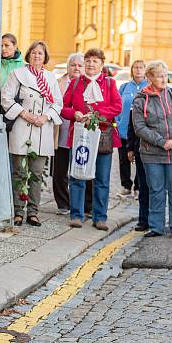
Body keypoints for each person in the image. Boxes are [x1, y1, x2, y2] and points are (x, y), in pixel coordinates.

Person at [2, 41, 62, 227]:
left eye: (41, 54)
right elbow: (6, 97)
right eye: (34, 53)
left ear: (45, 57)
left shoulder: (51, 78)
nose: (37, 56)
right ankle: (18, 210)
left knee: (37, 173)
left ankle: (33, 212)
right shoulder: (17, 74)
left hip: (42, 129)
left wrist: (46, 117)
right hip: (22, 125)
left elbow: (57, 103)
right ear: (28, 55)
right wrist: (25, 114)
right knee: (20, 172)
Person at [62, 48, 121, 230]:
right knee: (77, 176)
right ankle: (76, 215)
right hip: (80, 136)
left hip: (103, 137)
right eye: (88, 61)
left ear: (101, 65)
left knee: (102, 179)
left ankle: (100, 217)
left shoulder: (110, 83)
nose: (90, 64)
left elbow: (117, 107)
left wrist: (97, 114)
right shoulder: (75, 83)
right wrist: (76, 114)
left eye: (95, 61)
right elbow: (63, 108)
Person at [132, 60, 172, 239]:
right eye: (159, 76)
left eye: (165, 75)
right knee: (156, 190)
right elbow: (139, 127)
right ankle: (156, 227)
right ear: (149, 77)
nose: (164, 79)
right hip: (152, 153)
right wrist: (161, 142)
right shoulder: (140, 99)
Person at [52, 53, 83, 214]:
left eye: (79, 65)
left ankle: (79, 202)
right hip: (61, 131)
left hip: (80, 133)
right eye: (73, 65)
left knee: (79, 168)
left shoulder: (87, 84)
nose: (76, 68)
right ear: (68, 67)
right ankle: (63, 203)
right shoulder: (58, 82)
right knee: (60, 169)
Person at [116, 60, 147, 197]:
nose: (138, 70)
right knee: (123, 159)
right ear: (132, 70)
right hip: (123, 129)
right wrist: (116, 122)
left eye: (141, 67)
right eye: (136, 67)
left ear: (145, 70)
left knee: (140, 159)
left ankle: (138, 187)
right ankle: (126, 186)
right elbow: (117, 105)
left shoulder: (149, 86)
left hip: (140, 129)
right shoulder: (124, 87)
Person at [126, 108, 150, 231]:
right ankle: (143, 219)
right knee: (143, 187)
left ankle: (156, 219)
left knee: (156, 188)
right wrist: (130, 148)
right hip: (140, 150)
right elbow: (132, 127)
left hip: (158, 151)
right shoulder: (138, 101)